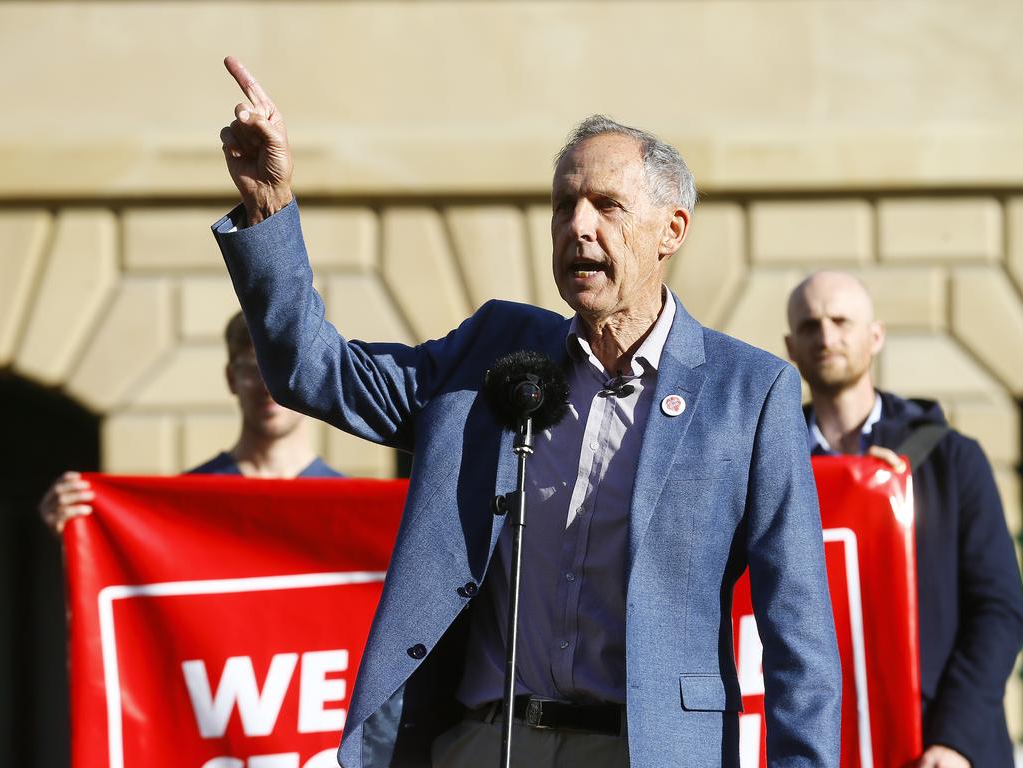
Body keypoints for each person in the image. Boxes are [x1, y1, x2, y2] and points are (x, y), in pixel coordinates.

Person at [213, 56, 841, 768]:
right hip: (485, 741)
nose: (578, 226)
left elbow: (800, 635)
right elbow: (312, 372)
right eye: (563, 205)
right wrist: (269, 204)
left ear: (672, 229)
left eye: (607, 205)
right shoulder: (491, 353)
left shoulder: (747, 392)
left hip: (648, 749)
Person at [785, 270, 1023, 768]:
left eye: (841, 321)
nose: (826, 337)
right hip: (815, 742)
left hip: (937, 742)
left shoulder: (951, 459)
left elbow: (999, 609)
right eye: (810, 325)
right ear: (791, 345)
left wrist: (954, 740)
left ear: (875, 336)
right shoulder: (769, 462)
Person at [39, 310, 341, 533]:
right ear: (230, 378)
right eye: (252, 369)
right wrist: (79, 533)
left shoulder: (349, 504)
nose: (268, 386)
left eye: (281, 370)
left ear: (311, 379)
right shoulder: (185, 504)